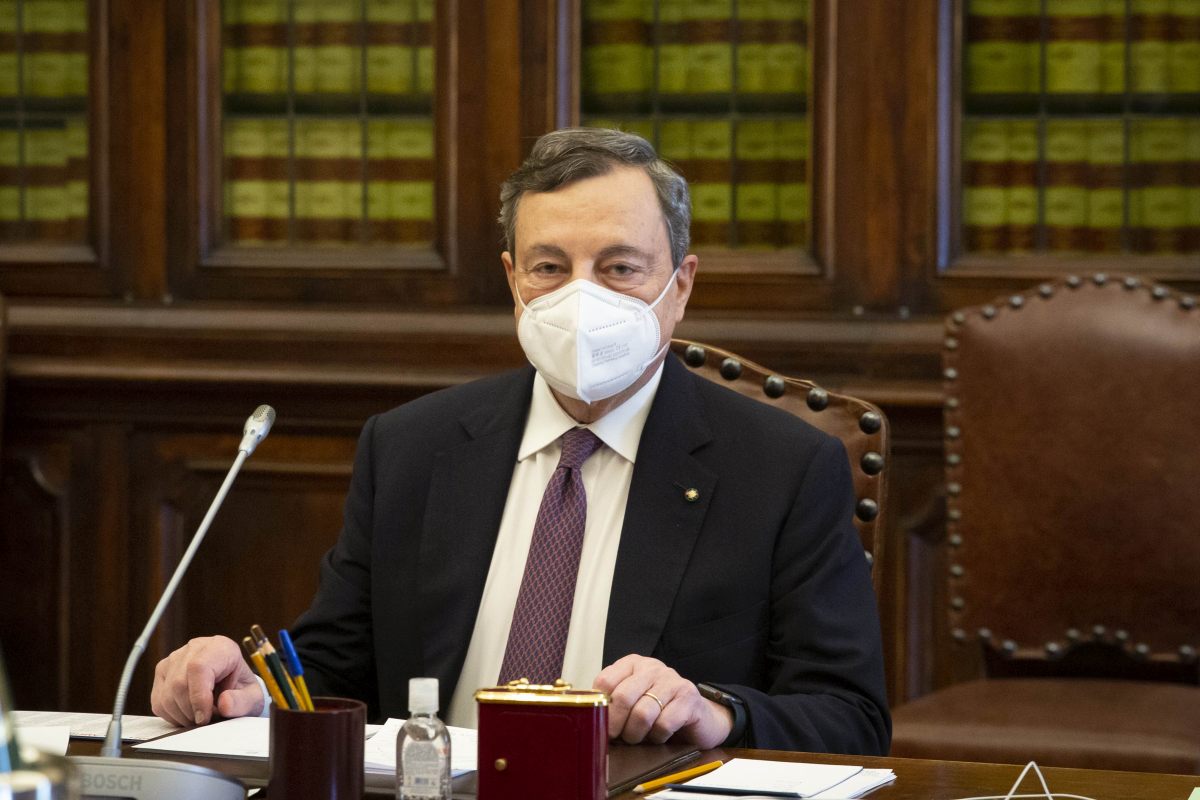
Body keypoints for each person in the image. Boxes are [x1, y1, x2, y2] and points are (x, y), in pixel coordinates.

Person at [151, 128, 891, 754]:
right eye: (549, 268)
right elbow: (335, 669)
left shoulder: (782, 468)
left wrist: (713, 711)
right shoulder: (411, 447)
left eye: (619, 268)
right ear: (513, 280)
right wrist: (250, 692)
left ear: (682, 285)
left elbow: (850, 718)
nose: (582, 297)